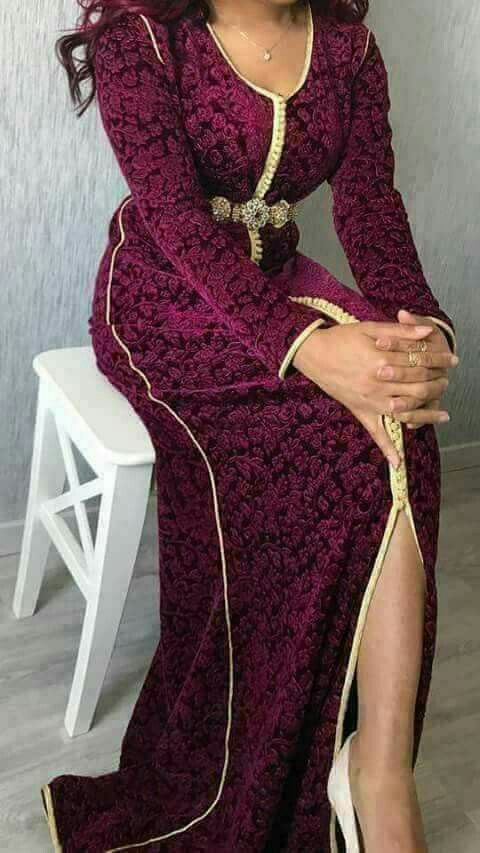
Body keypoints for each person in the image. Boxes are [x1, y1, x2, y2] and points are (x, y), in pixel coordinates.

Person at [40, 1, 460, 850]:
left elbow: (371, 207)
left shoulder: (348, 48)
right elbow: (176, 224)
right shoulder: (142, 38)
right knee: (342, 449)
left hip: (278, 283)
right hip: (160, 301)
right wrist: (308, 347)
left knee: (403, 416)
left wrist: (422, 327)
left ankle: (378, 773)